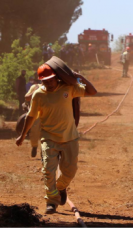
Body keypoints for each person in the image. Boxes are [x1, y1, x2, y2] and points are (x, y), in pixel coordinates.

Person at [16, 63, 97, 214]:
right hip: (48, 138)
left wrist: (80, 77)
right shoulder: (38, 94)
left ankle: (60, 188)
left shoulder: (68, 89)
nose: (49, 83)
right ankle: (51, 202)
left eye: (51, 80)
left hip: (70, 137)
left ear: (57, 78)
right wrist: (22, 135)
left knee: (70, 171)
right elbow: (31, 116)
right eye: (45, 81)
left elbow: (92, 92)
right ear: (41, 81)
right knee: (48, 170)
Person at [25, 81, 41, 157]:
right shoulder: (35, 86)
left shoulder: (54, 86)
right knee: (34, 132)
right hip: (36, 114)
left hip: (49, 114)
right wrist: (35, 91)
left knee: (48, 133)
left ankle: (44, 150)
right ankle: (34, 146)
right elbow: (27, 97)